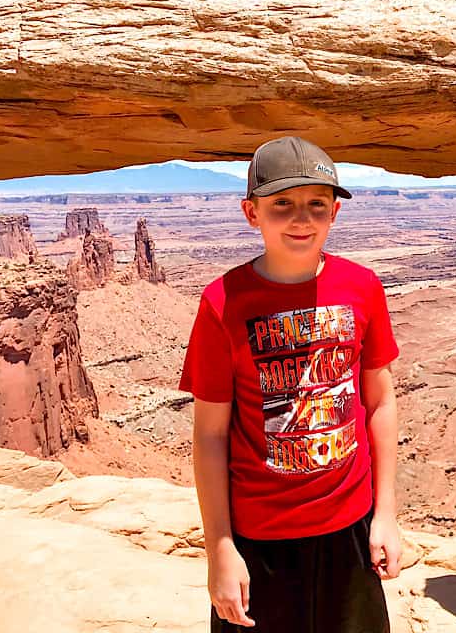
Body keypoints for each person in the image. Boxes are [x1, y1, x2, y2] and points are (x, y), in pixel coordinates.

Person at [180, 135, 401, 633]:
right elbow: (211, 435)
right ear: (251, 213)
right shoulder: (223, 303)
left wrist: (385, 514)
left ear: (334, 215)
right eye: (282, 204)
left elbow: (380, 401)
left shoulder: (362, 286)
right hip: (261, 539)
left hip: (351, 528)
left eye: (316, 205)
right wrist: (220, 549)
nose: (302, 219)